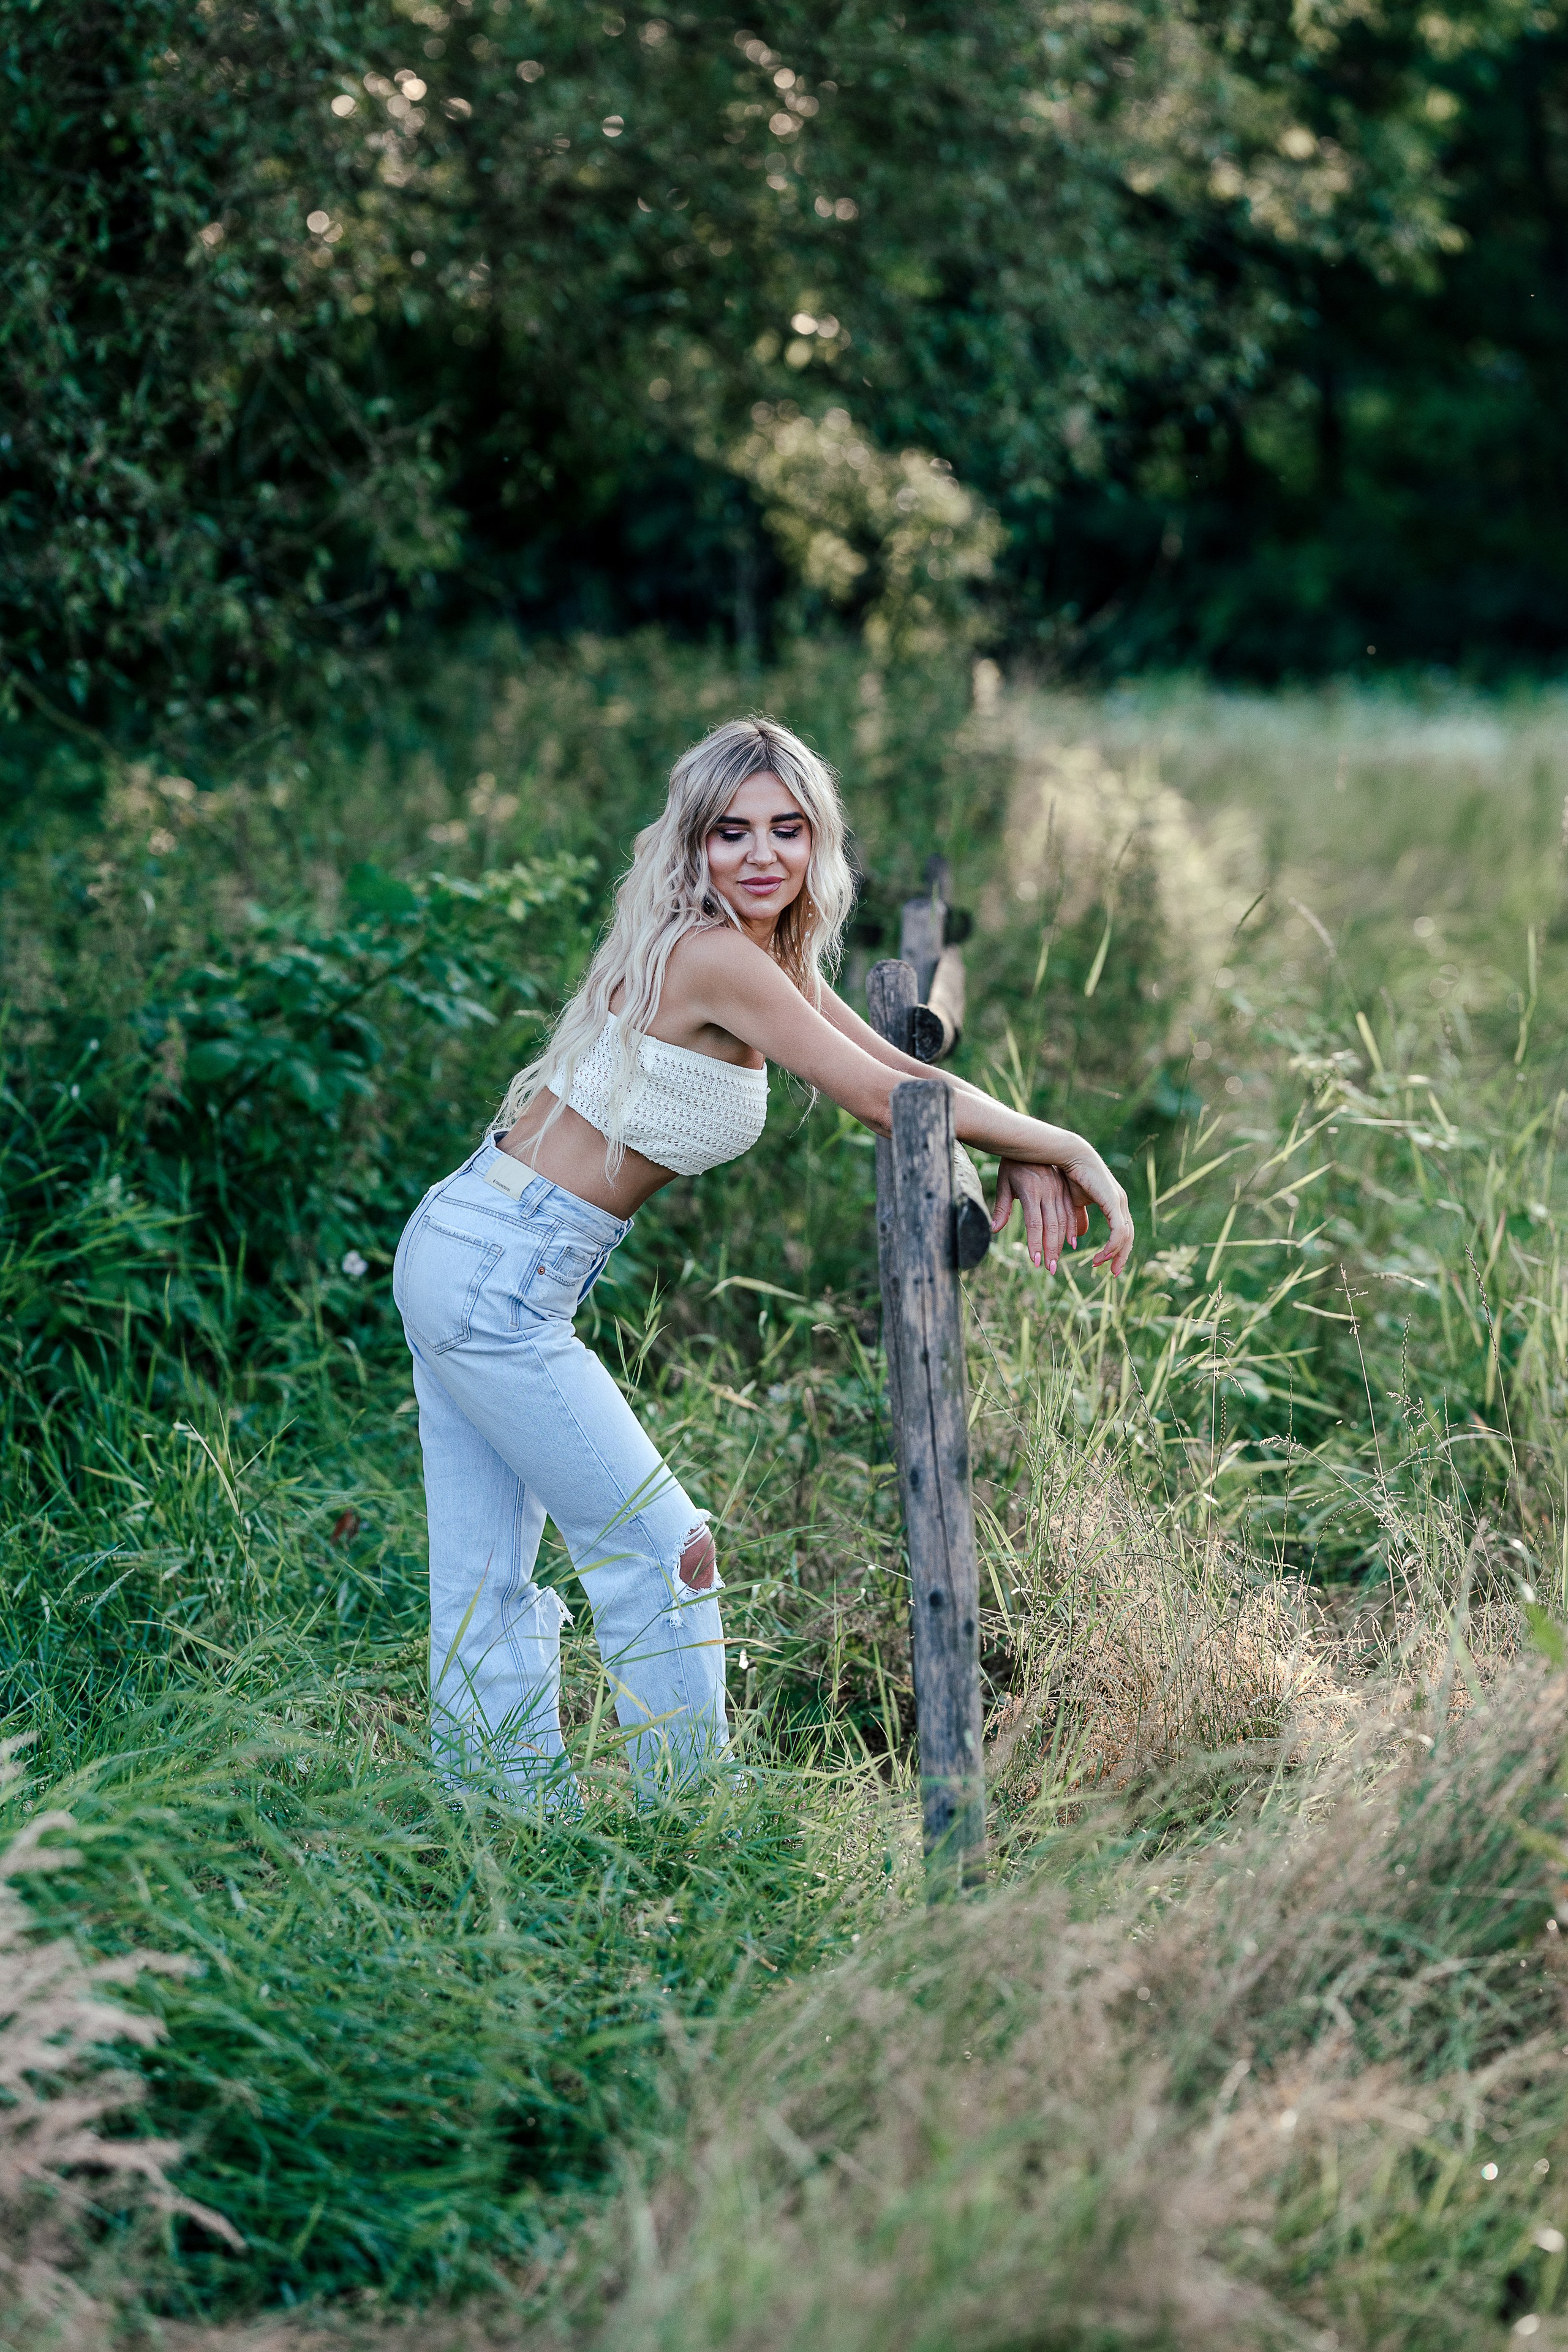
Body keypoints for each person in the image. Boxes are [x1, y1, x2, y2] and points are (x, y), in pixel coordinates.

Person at [393, 717, 1134, 1805]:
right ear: (691, 845)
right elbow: (888, 1098)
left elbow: (887, 1066)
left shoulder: (755, 956)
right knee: (666, 1548)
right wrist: (1063, 1147)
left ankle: (503, 1832)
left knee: (483, 1580)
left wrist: (1021, 1147)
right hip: (493, 1272)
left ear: (816, 845)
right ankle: (688, 1821)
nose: (760, 855)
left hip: (479, 1247)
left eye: (787, 830)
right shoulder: (715, 956)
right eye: (730, 832)